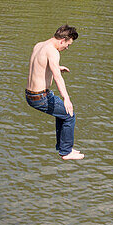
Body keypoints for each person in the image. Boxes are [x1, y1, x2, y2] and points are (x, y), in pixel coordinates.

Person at [25, 25, 83, 161]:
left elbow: (38, 66)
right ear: (62, 40)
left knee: (62, 114)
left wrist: (57, 67)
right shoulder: (53, 52)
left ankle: (63, 147)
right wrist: (66, 98)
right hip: (40, 97)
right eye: (68, 45)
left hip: (30, 94)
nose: (67, 48)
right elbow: (57, 77)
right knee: (69, 115)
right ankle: (66, 152)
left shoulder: (40, 45)